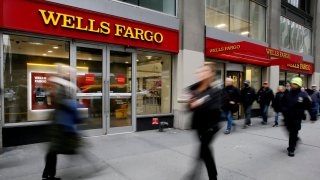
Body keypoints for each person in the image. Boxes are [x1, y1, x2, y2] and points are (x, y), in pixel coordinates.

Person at [42, 65, 82, 180]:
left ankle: (48, 174)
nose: (69, 74)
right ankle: (48, 175)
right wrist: (72, 106)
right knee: (54, 149)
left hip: (59, 121)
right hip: (59, 122)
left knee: (53, 150)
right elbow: (59, 101)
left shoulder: (59, 84)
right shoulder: (60, 85)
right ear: (63, 73)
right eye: (67, 72)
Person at [187, 64, 224, 180]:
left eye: (205, 71)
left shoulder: (215, 91)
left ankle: (203, 175)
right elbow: (189, 107)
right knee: (205, 151)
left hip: (211, 126)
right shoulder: (193, 89)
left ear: (211, 74)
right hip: (199, 125)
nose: (202, 73)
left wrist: (200, 103)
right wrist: (191, 104)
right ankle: (208, 175)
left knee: (203, 149)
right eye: (200, 71)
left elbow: (215, 107)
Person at [281, 77, 312, 157]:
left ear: (299, 85)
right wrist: (282, 109)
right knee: (288, 129)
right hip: (287, 116)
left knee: (293, 132)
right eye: (293, 84)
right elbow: (282, 103)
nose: (294, 86)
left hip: (297, 117)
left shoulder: (303, 95)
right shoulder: (287, 93)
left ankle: (291, 148)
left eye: (296, 84)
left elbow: (309, 106)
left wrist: (313, 115)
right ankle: (296, 139)